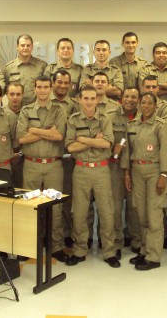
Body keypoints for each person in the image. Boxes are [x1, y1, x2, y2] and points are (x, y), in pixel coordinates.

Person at [65, 85, 120, 268]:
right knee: (79, 211)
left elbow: (106, 144)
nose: (89, 102)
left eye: (92, 98)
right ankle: (80, 249)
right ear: (80, 100)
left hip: (101, 170)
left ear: (98, 99)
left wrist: (82, 139)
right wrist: (94, 140)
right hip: (80, 170)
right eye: (85, 98)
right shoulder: (73, 120)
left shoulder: (105, 118)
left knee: (106, 211)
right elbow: (70, 148)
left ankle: (109, 251)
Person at [17, 76, 69, 262]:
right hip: (31, 165)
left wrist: (35, 130)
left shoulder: (59, 110)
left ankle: (55, 247)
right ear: (34, 88)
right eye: (39, 87)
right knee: (29, 206)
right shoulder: (26, 110)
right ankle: (29, 245)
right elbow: (21, 139)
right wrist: (47, 131)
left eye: (46, 87)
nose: (43, 90)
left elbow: (59, 136)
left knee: (55, 206)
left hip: (54, 166)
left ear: (52, 88)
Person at [121, 92, 167, 271]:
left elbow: (165, 151)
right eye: (144, 102)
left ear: (156, 106)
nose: (147, 106)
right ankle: (144, 249)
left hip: (154, 171)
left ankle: (154, 256)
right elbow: (127, 151)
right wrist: (127, 173)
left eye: (150, 103)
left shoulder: (161, 125)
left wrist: (163, 175)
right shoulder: (132, 124)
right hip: (136, 171)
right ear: (139, 105)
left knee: (154, 215)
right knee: (141, 214)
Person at [110, 87, 141, 254]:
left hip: (137, 168)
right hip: (115, 168)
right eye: (127, 96)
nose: (130, 100)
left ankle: (136, 240)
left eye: (134, 97)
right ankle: (116, 243)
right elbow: (105, 141)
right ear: (121, 98)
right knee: (115, 207)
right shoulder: (111, 116)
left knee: (134, 207)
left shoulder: (144, 116)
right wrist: (112, 150)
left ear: (139, 99)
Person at [50, 70, 78, 246]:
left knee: (65, 200)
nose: (62, 86)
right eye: (59, 82)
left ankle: (65, 235)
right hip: (49, 155)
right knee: (45, 201)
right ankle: (43, 236)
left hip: (67, 160)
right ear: (53, 83)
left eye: (66, 83)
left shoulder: (74, 105)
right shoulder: (45, 102)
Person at [3, 34, 47, 105]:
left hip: (35, 109)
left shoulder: (42, 66)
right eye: (22, 45)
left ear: (32, 47)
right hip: (15, 109)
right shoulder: (9, 68)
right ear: (17, 47)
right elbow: (5, 89)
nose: (25, 48)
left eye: (28, 45)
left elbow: (46, 88)